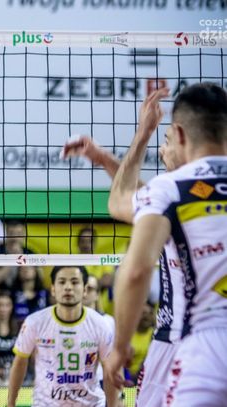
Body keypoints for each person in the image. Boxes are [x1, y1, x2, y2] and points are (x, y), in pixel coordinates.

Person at [103, 83, 227, 406]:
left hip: (202, 345)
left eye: (167, 138)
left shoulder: (171, 189)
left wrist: (121, 346)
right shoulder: (166, 189)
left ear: (180, 134)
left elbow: (136, 270)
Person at [63, 87, 186, 406]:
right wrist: (103, 158)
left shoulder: (171, 193)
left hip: (179, 336)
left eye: (166, 142)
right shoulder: (187, 196)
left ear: (185, 140)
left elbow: (123, 199)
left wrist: (143, 134)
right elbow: (141, 194)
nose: (162, 150)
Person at [8, 266, 118, 407]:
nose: (68, 287)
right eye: (62, 282)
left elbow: (110, 371)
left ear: (85, 290)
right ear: (53, 289)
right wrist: (11, 403)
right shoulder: (34, 322)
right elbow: (20, 362)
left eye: (74, 282)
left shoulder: (100, 324)